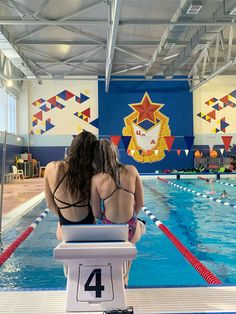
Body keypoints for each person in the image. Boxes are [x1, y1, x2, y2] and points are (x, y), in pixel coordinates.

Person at [90, 139, 145, 285]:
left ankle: (115, 278)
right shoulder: (132, 170)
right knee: (139, 228)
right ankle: (126, 278)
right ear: (115, 153)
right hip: (131, 230)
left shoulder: (96, 179)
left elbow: (96, 212)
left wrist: (107, 220)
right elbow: (140, 203)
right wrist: (132, 218)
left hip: (111, 231)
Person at [44, 131, 97, 240]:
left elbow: (50, 204)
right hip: (88, 227)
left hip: (64, 230)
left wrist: (63, 217)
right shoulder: (91, 171)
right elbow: (97, 207)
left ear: (73, 146)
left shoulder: (51, 168)